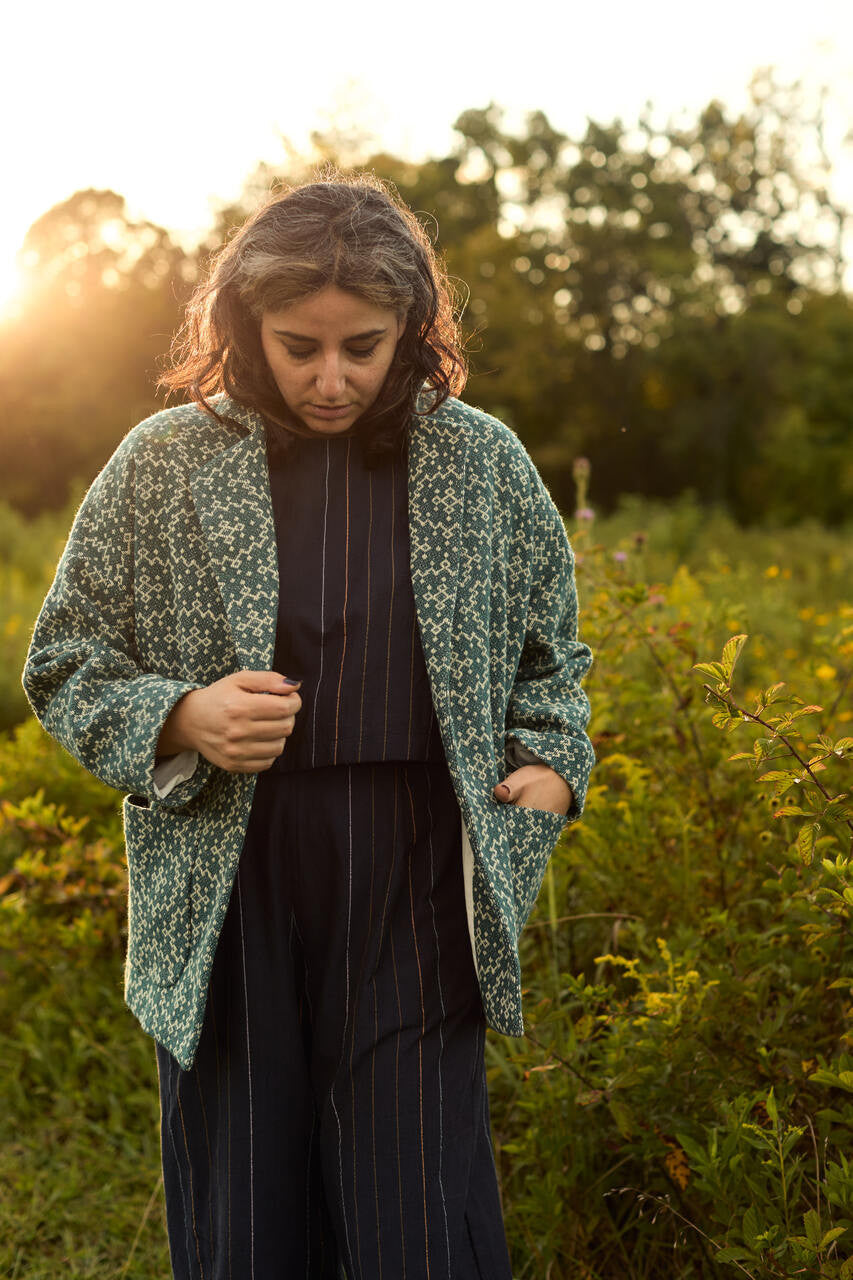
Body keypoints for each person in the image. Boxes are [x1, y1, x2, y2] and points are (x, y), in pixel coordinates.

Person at [21, 170, 595, 1279]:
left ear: (411, 330)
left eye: (364, 346)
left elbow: (552, 660)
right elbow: (66, 657)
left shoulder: (484, 463)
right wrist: (178, 714)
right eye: (298, 346)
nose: (331, 377)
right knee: (246, 1212)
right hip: (233, 878)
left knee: (416, 1216)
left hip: (421, 878)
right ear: (245, 324)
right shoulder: (162, 463)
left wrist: (552, 768)